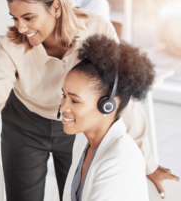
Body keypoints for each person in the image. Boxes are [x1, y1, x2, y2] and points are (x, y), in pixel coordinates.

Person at [0, 0, 176, 201]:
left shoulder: (97, 29)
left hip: (73, 125)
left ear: (56, 7)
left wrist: (148, 163)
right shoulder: (13, 44)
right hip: (24, 124)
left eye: (29, 18)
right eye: (15, 18)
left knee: (74, 194)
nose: (21, 27)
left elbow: (120, 97)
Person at [61, 34, 160, 201]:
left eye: (74, 101)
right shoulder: (83, 142)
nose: (63, 106)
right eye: (63, 96)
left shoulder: (119, 161)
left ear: (108, 105)